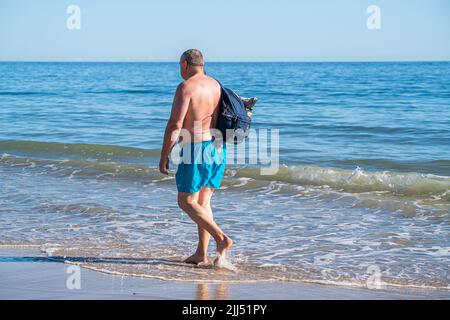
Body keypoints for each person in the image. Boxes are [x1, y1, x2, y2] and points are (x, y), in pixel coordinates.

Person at [159, 49, 233, 266]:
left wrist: (164, 154)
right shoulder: (216, 85)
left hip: (196, 149)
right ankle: (201, 253)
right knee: (203, 202)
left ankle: (222, 239)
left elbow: (175, 125)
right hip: (218, 147)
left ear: (184, 64)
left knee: (185, 201)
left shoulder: (186, 87)